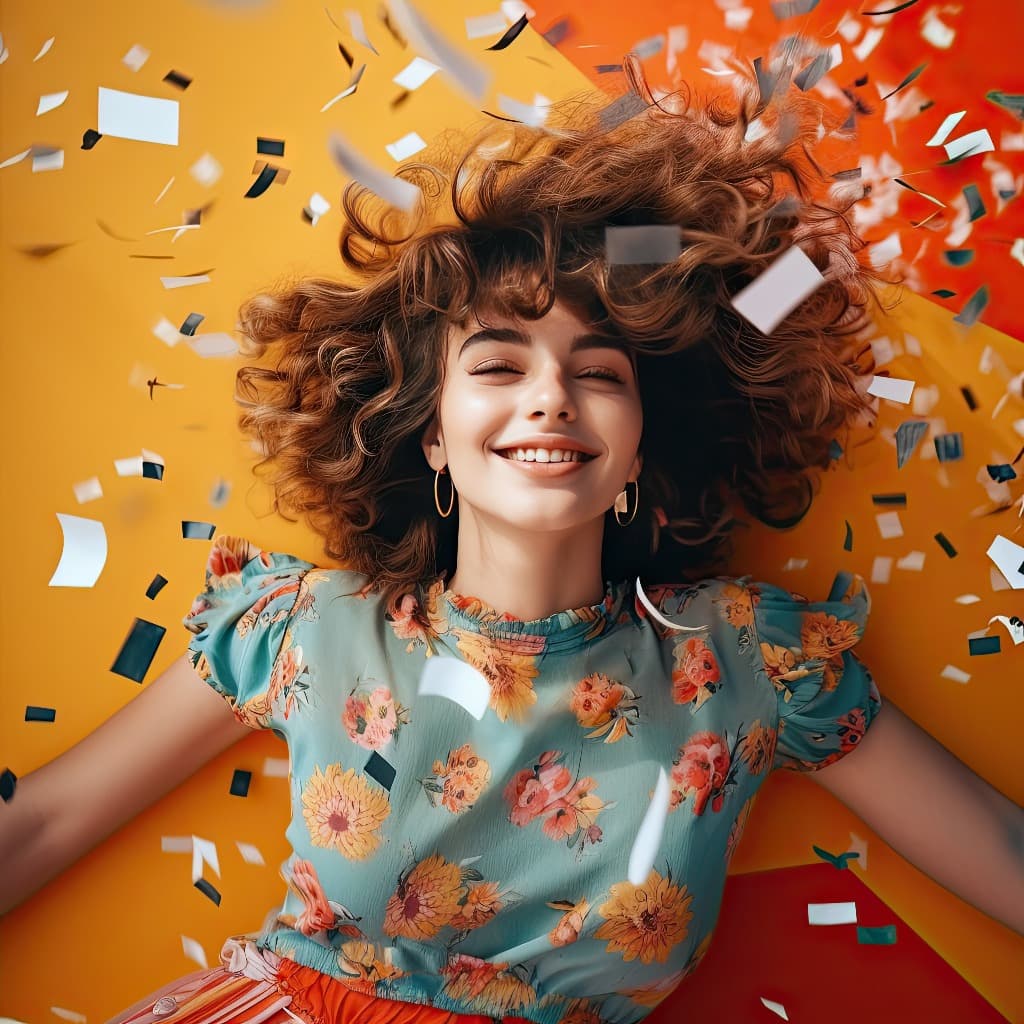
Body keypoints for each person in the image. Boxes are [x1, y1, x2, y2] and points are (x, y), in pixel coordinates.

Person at [2, 52, 1022, 1024]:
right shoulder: (305, 628)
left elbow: (784, 268)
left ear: (636, 449)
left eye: (599, 371)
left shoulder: (748, 661)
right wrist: (549, 261)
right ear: (432, 436)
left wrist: (634, 255)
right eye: (497, 365)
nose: (550, 398)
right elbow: (41, 822)